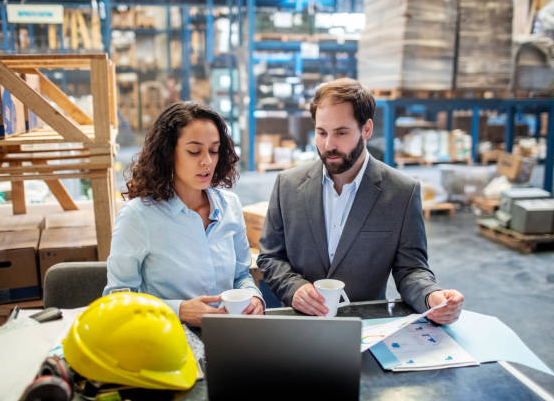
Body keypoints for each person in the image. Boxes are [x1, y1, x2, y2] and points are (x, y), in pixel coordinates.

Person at [257, 78, 463, 325]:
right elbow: (270, 257)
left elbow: (411, 269)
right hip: (298, 324)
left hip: (365, 327)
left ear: (366, 129)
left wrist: (432, 297)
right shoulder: (287, 185)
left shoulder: (401, 192)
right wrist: (294, 288)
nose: (328, 145)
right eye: (321, 132)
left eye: (341, 133)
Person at [104, 101, 264, 326]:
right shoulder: (138, 216)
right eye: (194, 151)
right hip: (169, 338)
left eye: (214, 150)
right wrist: (178, 310)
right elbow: (116, 300)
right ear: (168, 153)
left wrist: (254, 297)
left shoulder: (230, 206)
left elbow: (241, 276)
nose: (207, 161)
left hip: (229, 335)